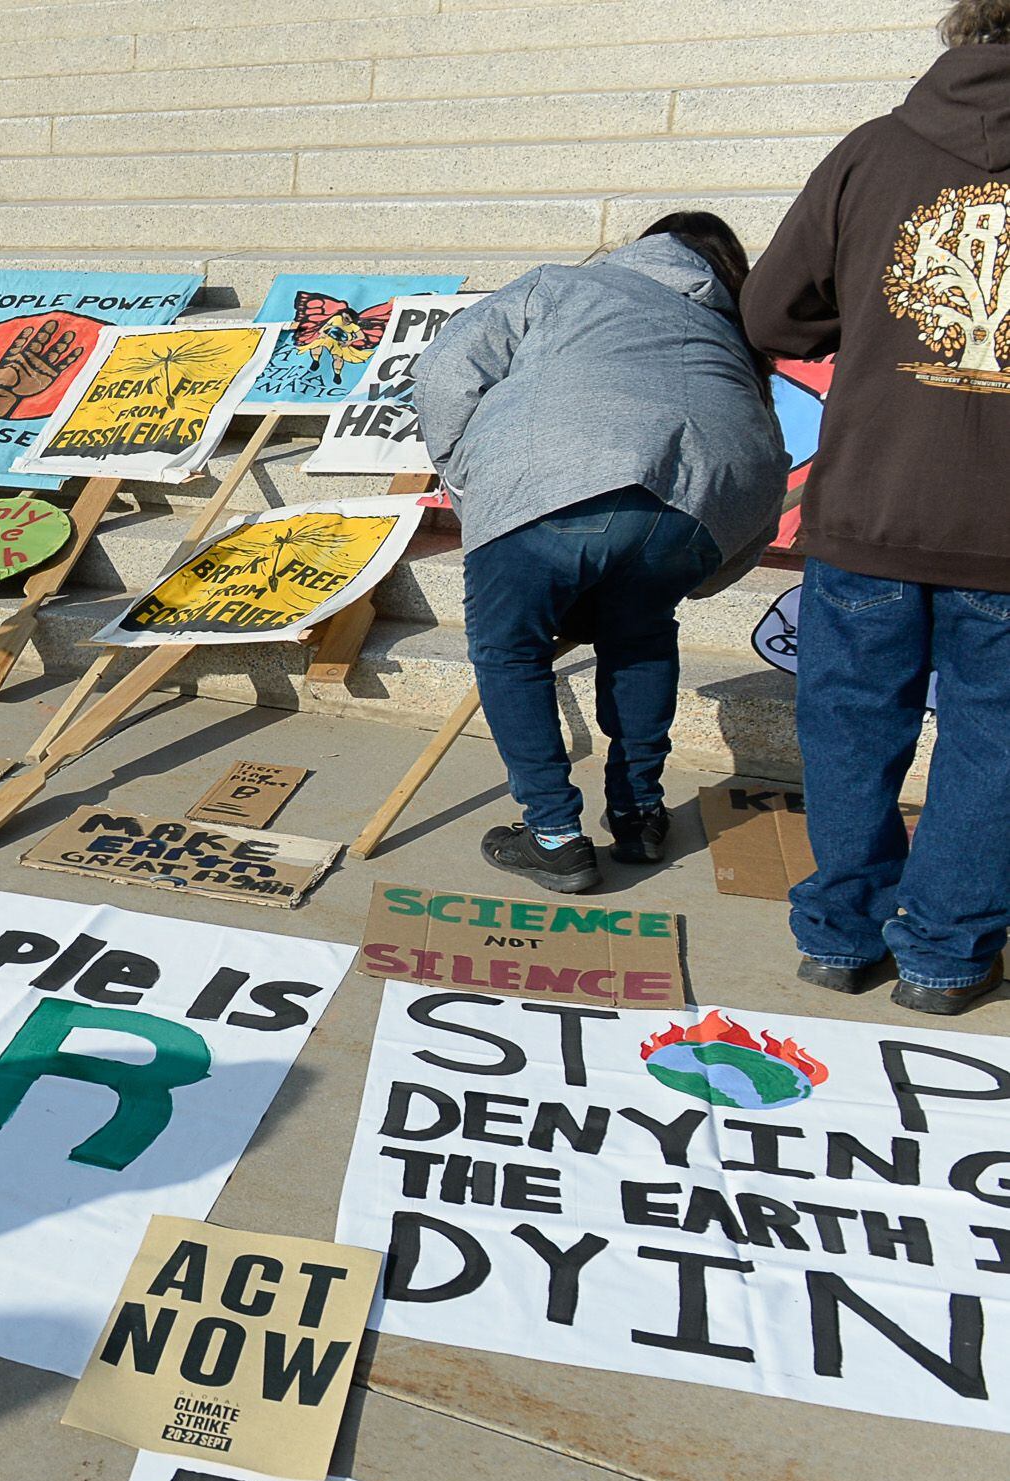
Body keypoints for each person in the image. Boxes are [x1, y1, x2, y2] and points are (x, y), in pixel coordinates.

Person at [744, 0, 1010, 1017]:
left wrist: (871, 314)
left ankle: (842, 936)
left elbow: (771, 310)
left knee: (850, 725)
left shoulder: (871, 153)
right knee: (993, 736)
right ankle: (943, 957)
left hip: (874, 500)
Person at [415, 214, 787, 894]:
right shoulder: (728, 334)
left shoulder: (562, 285)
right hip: (704, 503)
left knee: (509, 651)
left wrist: (467, 474)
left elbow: (446, 368)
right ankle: (640, 814)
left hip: (553, 470)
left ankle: (555, 838)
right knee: (640, 633)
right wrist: (705, 568)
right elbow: (765, 454)